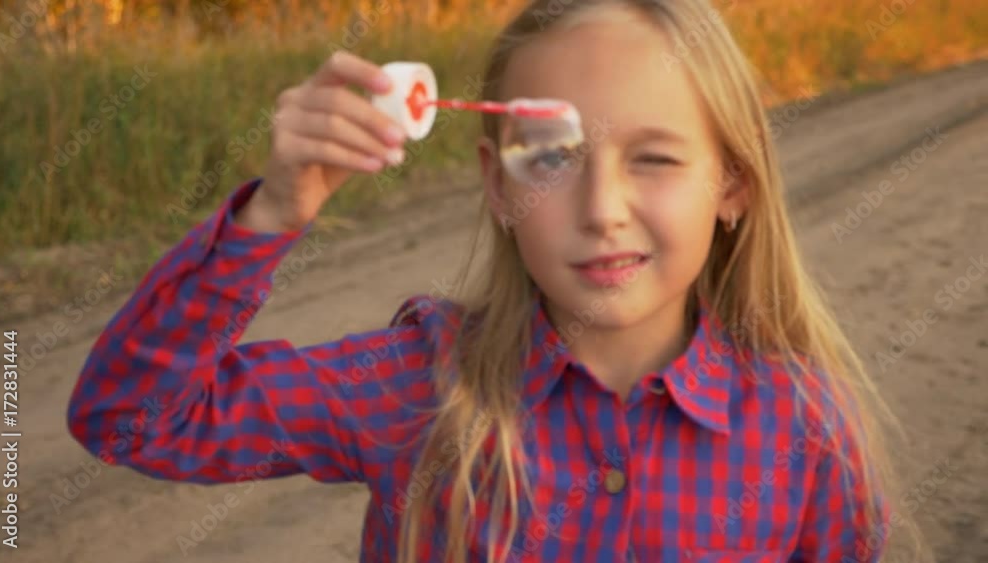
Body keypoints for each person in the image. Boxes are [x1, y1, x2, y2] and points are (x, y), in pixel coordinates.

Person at [67, 0, 908, 561]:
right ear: (500, 185)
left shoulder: (806, 428)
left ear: (733, 183)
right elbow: (132, 419)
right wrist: (276, 210)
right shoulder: (419, 384)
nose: (603, 208)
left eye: (652, 158)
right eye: (551, 157)